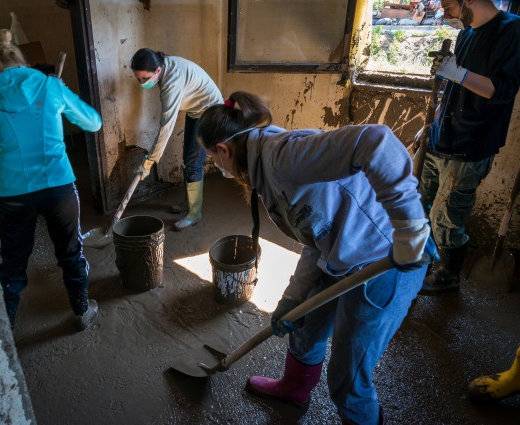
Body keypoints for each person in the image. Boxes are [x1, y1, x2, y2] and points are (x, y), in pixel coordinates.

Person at [197, 91, 438, 425]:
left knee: (348, 378)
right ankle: (294, 389)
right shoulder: (264, 172)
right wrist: (292, 299)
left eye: (212, 157)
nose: (216, 164)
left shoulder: (282, 155)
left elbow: (375, 140)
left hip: (385, 262)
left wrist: (409, 228)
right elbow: (314, 236)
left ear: (223, 150)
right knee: (305, 325)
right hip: (340, 252)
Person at [0, 29, 102, 330]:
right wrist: (61, 91)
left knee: (12, 263)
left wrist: (9, 173)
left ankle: (6, 331)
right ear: (22, 61)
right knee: (71, 252)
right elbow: (93, 123)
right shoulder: (49, 86)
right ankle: (82, 311)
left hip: (14, 193)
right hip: (59, 186)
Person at [419, 0, 520, 295]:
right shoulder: (466, 33)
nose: (444, 12)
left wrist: (458, 74)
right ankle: (423, 262)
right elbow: (452, 90)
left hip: (471, 143)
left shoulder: (511, 30)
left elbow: (502, 90)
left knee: (446, 217)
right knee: (419, 205)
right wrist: (432, 122)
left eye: (449, 4)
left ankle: (449, 275)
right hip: (440, 136)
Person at [130, 48, 223, 230]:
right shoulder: (163, 64)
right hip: (197, 110)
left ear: (157, 70)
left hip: (210, 114)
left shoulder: (172, 83)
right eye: (138, 78)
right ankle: (190, 203)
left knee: (193, 162)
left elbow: (166, 127)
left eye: (145, 79)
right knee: (188, 159)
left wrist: (149, 162)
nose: (141, 83)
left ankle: (194, 214)